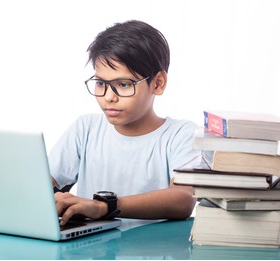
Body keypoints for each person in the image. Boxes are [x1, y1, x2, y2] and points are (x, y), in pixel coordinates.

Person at [49, 20, 201, 226]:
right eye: (101, 83)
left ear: (157, 83)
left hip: (152, 253)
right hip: (91, 251)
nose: (109, 97)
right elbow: (41, 183)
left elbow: (183, 199)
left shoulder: (180, 135)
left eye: (123, 84)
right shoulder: (85, 128)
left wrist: (105, 206)